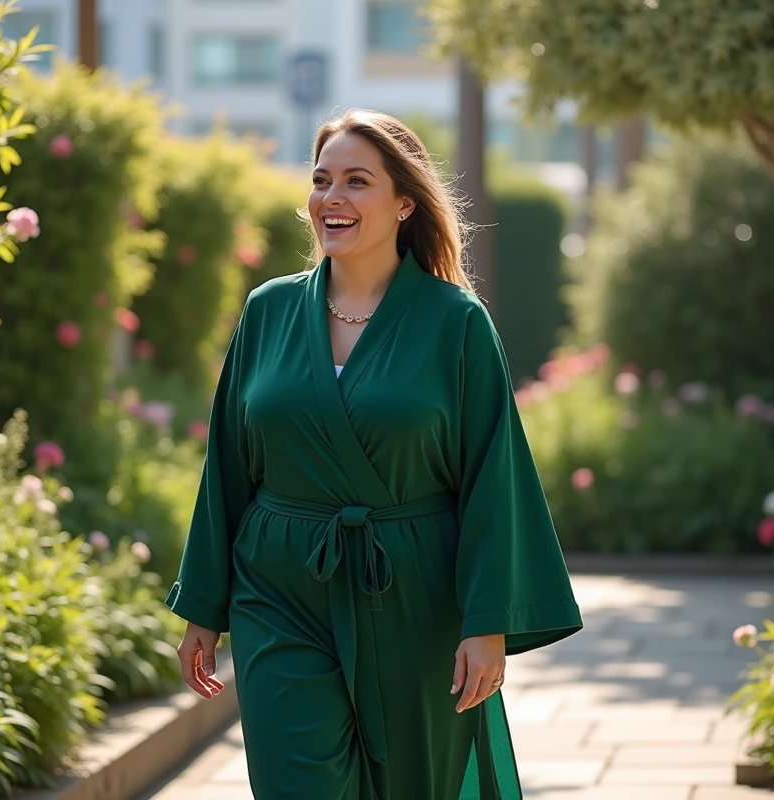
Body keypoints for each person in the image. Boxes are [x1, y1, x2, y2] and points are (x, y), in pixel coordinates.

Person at [165, 109, 582, 800]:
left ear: (404, 203)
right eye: (321, 179)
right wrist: (204, 606)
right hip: (279, 588)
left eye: (357, 181)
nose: (332, 197)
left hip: (413, 593)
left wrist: (487, 624)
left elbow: (492, 480)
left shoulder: (456, 322)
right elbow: (228, 470)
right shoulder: (267, 312)